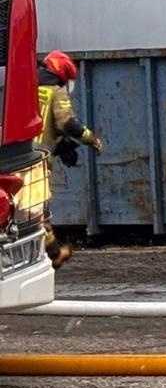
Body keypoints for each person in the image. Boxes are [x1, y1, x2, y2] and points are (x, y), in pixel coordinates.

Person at [35, 50, 102, 268]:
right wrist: (90, 138)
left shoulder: (25, 88)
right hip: (37, 163)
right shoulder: (56, 92)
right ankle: (54, 254)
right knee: (36, 210)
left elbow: (43, 126)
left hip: (14, 158)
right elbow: (67, 124)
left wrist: (62, 146)